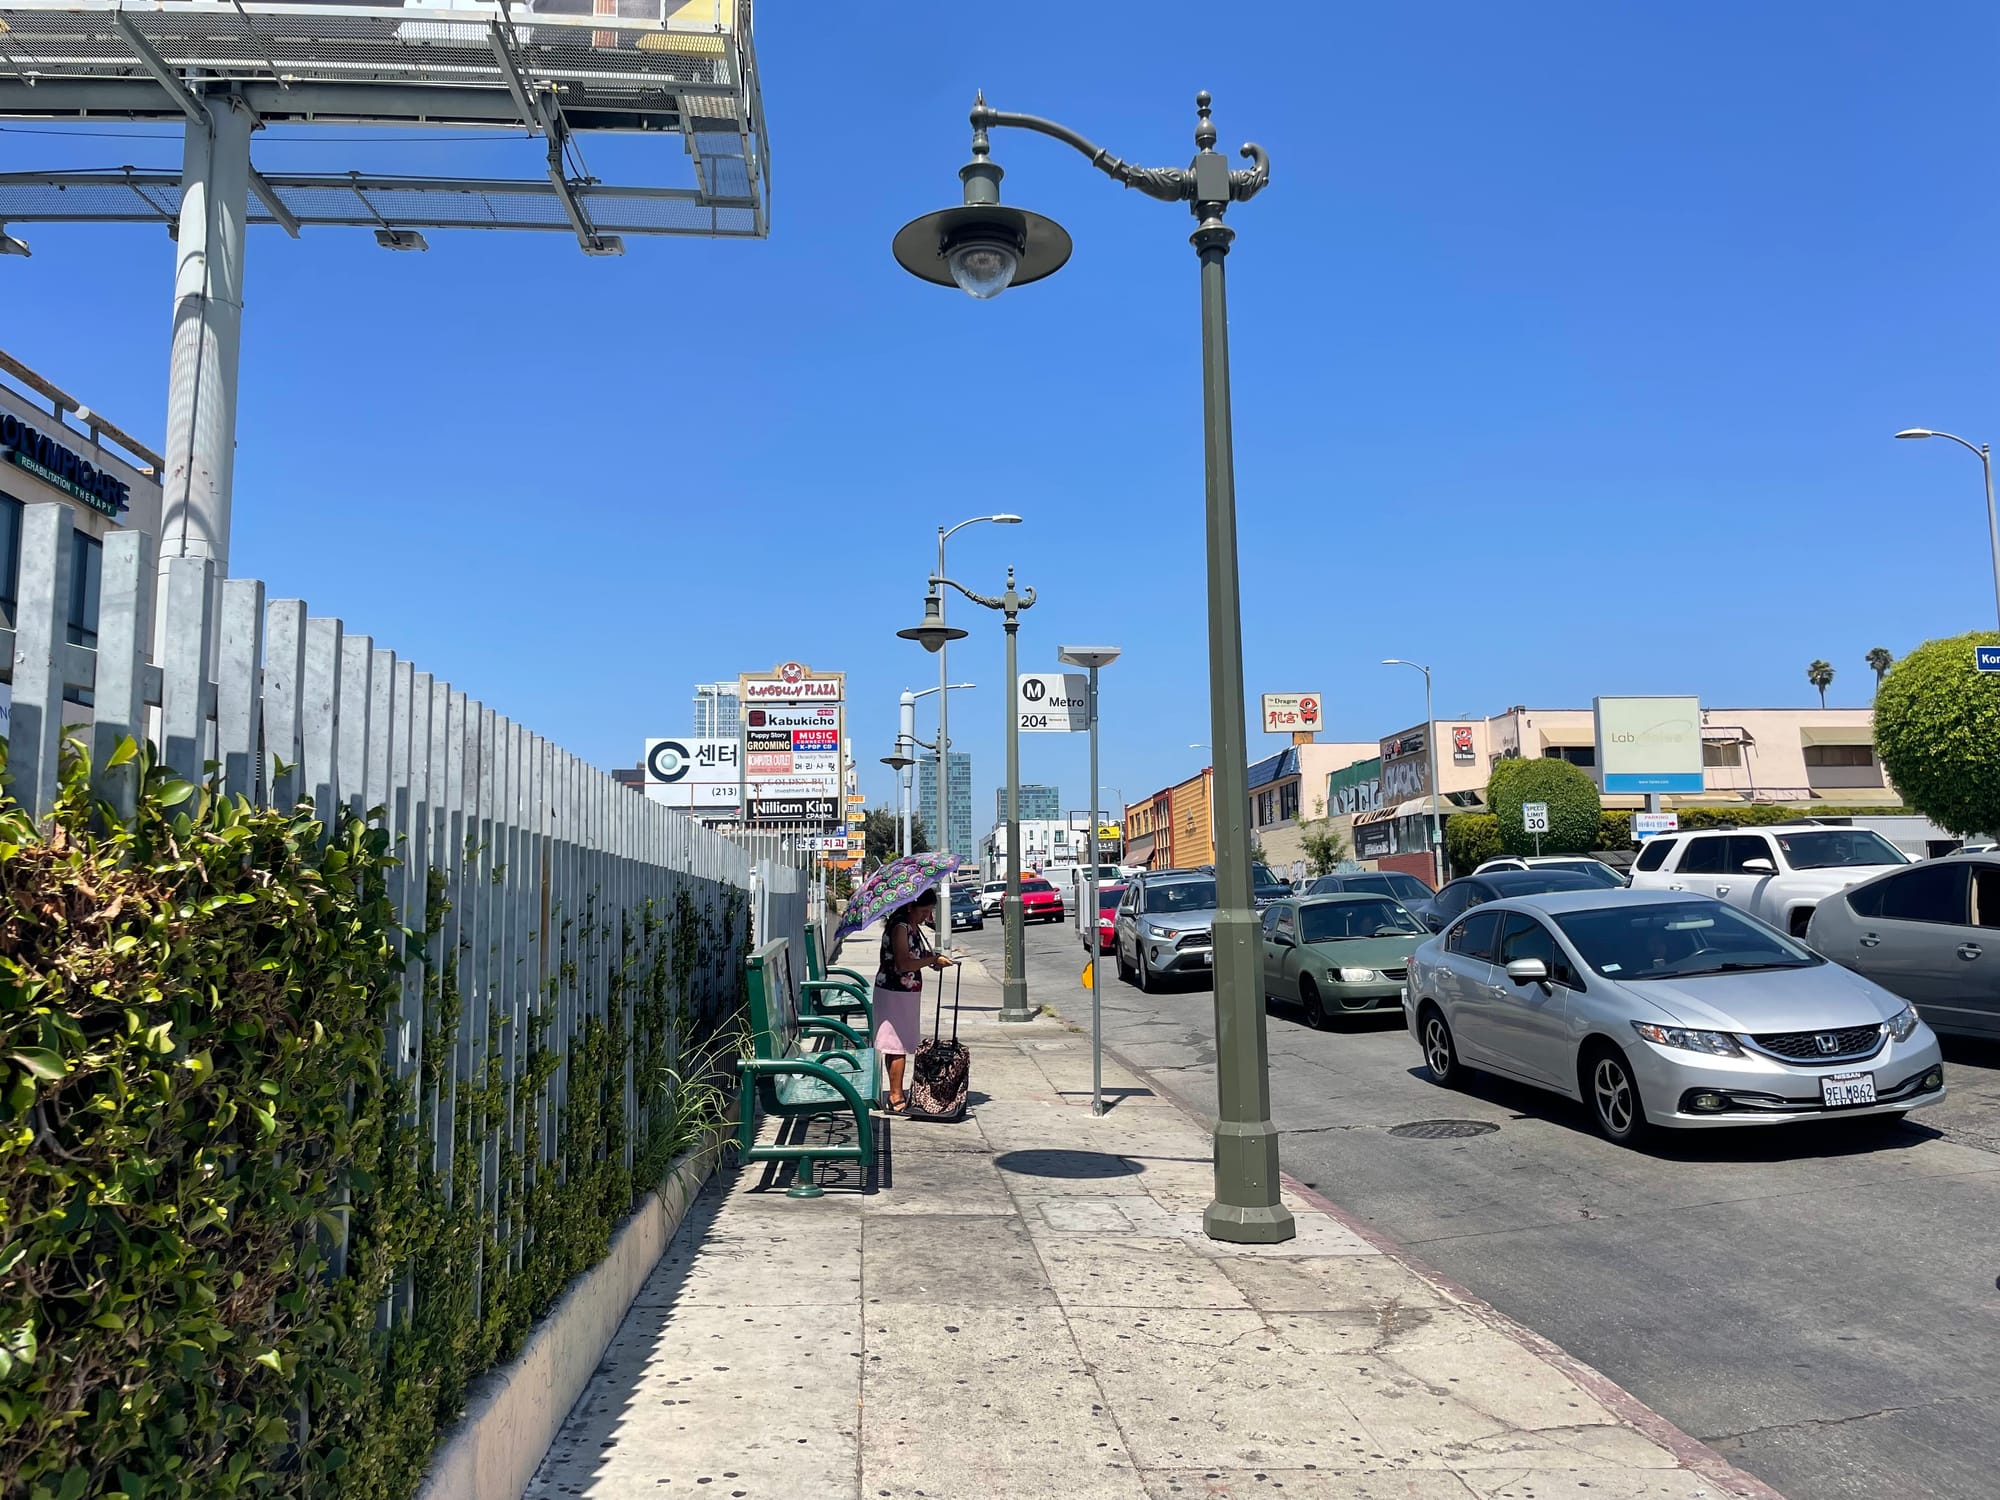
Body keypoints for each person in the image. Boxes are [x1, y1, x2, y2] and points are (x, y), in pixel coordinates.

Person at [874, 889, 953, 1114]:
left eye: (930, 912)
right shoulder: (900, 927)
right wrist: (932, 959)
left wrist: (931, 961)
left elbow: (914, 960)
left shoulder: (911, 926)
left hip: (904, 992)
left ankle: (895, 1092)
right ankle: (895, 1095)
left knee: (898, 1044)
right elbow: (904, 964)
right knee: (897, 1044)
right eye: (924, 911)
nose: (926, 916)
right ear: (910, 906)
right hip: (895, 991)